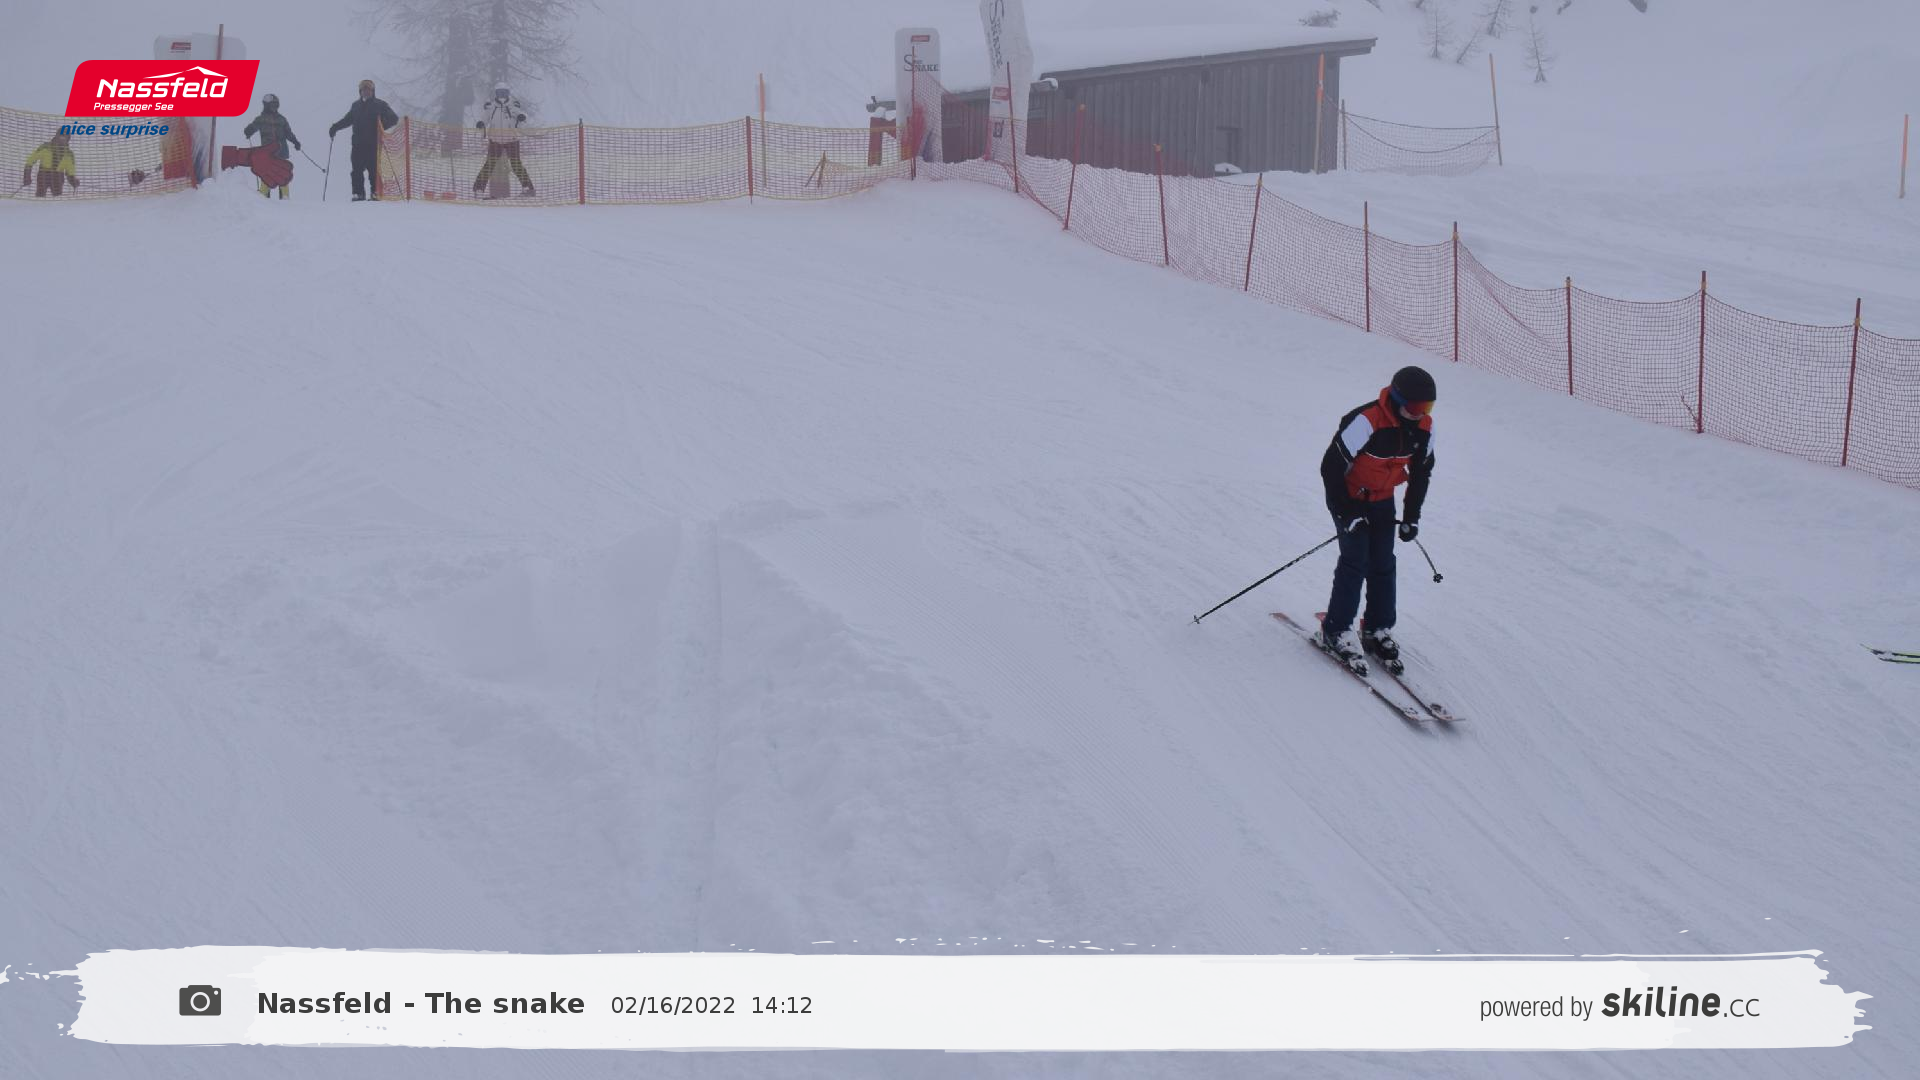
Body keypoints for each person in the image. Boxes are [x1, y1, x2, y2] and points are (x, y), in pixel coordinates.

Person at [1317, 365, 1437, 675]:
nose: (1420, 414)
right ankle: (1335, 629)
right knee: (1355, 559)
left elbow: (1421, 475)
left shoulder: (1424, 428)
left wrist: (1411, 517)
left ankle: (1377, 629)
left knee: (1383, 562)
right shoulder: (1367, 421)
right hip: (1349, 496)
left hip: (1382, 500)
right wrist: (1346, 512)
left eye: (1426, 407)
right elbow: (1330, 467)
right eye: (1415, 407)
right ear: (1397, 399)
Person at [327, 78, 399, 201]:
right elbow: (347, 120)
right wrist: (335, 127)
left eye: (369, 89)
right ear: (360, 92)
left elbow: (394, 118)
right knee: (356, 170)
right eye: (363, 90)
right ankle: (358, 193)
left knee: (373, 170)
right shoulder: (355, 106)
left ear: (373, 91)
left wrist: (381, 126)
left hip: (373, 144)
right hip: (357, 144)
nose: (366, 92)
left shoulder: (380, 105)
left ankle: (376, 192)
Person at [473, 81, 534, 197]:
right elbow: (485, 118)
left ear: (508, 93)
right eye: (500, 93)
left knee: (516, 164)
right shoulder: (491, 107)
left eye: (504, 93)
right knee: (490, 164)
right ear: (496, 94)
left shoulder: (512, 105)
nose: (502, 95)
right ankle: (479, 189)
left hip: (512, 139)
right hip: (495, 140)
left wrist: (522, 117)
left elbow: (520, 114)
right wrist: (481, 123)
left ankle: (528, 188)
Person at [243, 93, 301, 199]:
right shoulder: (261, 119)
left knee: (282, 173)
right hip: (267, 153)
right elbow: (253, 126)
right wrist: (249, 130)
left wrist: (295, 142)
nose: (273, 107)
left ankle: (284, 196)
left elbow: (288, 133)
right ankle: (264, 195)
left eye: (275, 105)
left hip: (281, 152)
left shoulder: (281, 119)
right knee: (267, 173)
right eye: (271, 105)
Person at [22, 131, 79, 197]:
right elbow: (31, 160)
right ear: (57, 136)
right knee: (40, 196)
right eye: (60, 137)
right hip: (43, 174)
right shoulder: (45, 147)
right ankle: (39, 202)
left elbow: (70, 170)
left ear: (68, 139)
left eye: (64, 138)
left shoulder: (69, 154)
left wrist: (72, 180)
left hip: (58, 176)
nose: (62, 139)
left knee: (57, 198)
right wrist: (27, 175)